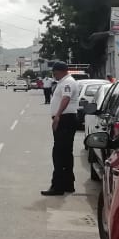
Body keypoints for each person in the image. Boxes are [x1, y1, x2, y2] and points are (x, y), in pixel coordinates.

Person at [42, 61, 81, 196]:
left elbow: (66, 98)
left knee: (58, 153)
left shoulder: (67, 82)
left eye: (55, 72)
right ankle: (68, 184)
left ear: (62, 71)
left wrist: (57, 115)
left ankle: (58, 186)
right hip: (67, 119)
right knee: (65, 153)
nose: (54, 75)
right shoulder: (65, 82)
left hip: (65, 120)